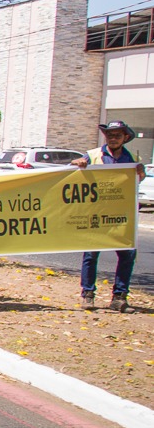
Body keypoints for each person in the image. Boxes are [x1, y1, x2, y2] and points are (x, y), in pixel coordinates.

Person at [70, 121, 145, 313]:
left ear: (125, 138)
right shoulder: (94, 155)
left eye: (117, 135)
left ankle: (119, 297)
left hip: (121, 217)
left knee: (127, 254)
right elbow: (69, 168)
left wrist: (140, 172)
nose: (113, 138)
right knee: (91, 255)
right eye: (110, 134)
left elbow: (138, 179)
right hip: (96, 214)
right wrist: (77, 163)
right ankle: (88, 295)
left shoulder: (132, 159)